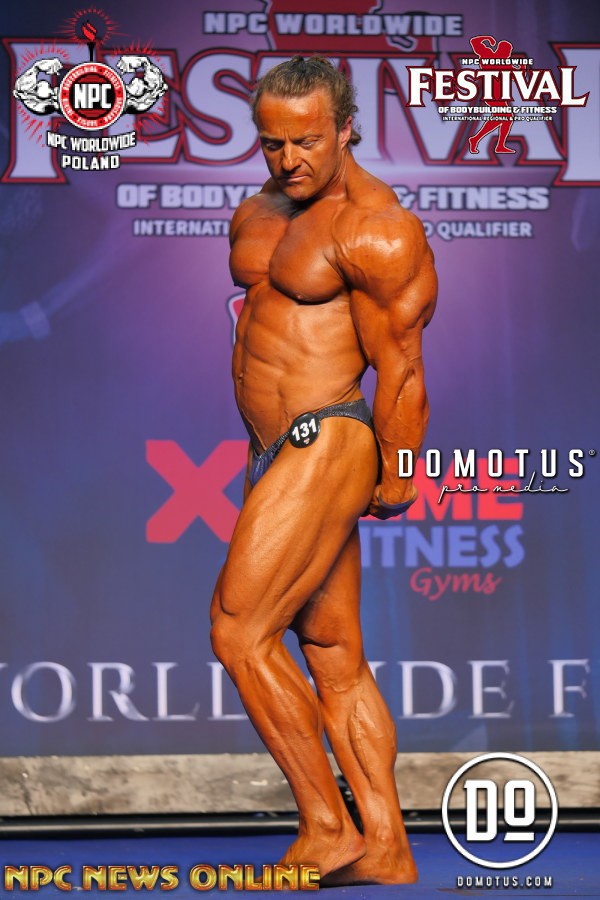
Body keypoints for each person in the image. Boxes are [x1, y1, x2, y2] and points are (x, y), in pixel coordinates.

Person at [210, 56, 437, 885]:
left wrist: (399, 469)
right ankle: (387, 846)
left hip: (329, 435)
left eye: (306, 141)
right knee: (332, 651)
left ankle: (324, 826)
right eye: (273, 142)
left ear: (346, 127)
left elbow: (401, 365)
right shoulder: (257, 210)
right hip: (269, 449)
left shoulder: (378, 227)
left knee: (239, 631)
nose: (289, 159)